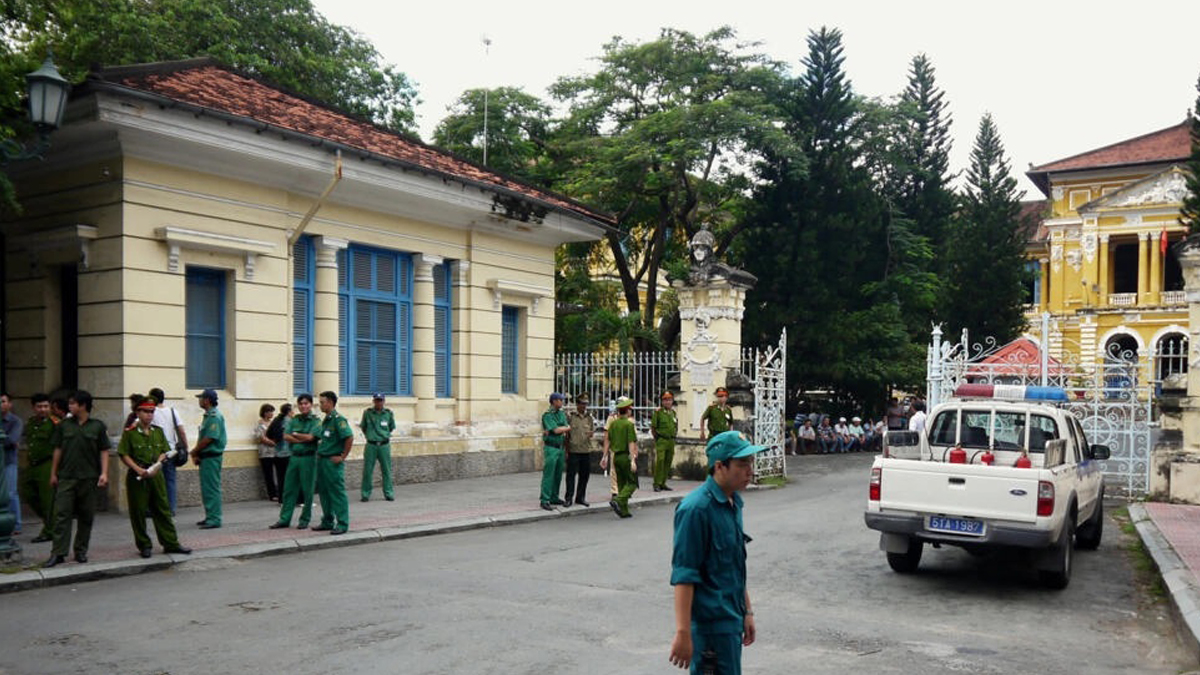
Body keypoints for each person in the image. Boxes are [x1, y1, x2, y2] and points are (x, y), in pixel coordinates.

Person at [668, 430, 762, 674]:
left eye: (750, 463)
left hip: (731, 623)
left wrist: (747, 610)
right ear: (720, 466)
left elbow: (734, 564)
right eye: (742, 464)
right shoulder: (696, 510)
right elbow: (685, 574)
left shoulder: (733, 503)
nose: (749, 470)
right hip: (710, 632)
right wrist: (683, 632)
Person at [116, 397, 191, 558]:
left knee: (162, 510)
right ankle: (144, 545)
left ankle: (170, 543)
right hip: (138, 475)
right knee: (138, 512)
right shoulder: (130, 433)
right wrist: (137, 469)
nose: (149, 415)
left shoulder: (158, 431)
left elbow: (164, 451)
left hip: (156, 475)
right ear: (137, 412)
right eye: (145, 411)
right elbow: (123, 454)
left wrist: (157, 464)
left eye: (151, 412)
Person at [44, 390, 110, 567]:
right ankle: (58, 552)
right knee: (61, 515)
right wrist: (53, 473)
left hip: (89, 478)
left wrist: (104, 473)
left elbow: (104, 450)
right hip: (66, 477)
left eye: (73, 403)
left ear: (83, 405)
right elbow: (57, 449)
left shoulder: (97, 426)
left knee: (86, 516)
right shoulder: (64, 426)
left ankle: (81, 551)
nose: (70, 406)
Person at [270, 396, 319, 529]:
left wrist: (296, 435)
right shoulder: (294, 419)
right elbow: (286, 436)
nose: (303, 406)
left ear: (311, 405)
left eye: (306, 403)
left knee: (307, 490)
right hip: (294, 457)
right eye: (301, 404)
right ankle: (284, 519)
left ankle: (304, 519)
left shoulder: (316, 421)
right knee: (289, 489)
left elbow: (312, 437)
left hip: (308, 458)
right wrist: (301, 438)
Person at [313, 391, 353, 535]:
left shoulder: (338, 419)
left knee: (337, 493)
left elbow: (349, 437)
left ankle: (342, 523)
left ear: (330, 402)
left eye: (322, 402)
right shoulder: (326, 420)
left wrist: (343, 456)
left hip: (332, 461)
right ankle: (327, 521)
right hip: (322, 460)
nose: (320, 405)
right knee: (324, 493)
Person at [19, 393, 57, 543]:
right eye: (39, 406)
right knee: (27, 492)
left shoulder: (54, 424)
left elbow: (59, 447)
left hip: (47, 464)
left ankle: (49, 530)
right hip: (32, 464)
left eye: (46, 406)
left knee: (47, 500)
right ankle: (52, 523)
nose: (43, 409)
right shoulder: (30, 423)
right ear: (33, 408)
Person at [190, 388, 226, 529]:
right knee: (207, 488)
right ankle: (210, 516)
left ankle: (214, 519)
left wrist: (194, 451)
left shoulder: (214, 416)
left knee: (211, 488)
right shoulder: (208, 416)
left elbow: (210, 438)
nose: (199, 400)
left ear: (207, 400)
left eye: (201, 398)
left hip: (212, 457)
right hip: (206, 457)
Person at [149, 387, 187, 515]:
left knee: (154, 481)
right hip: (170, 450)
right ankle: (171, 508)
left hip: (155, 452)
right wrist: (185, 446)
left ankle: (155, 508)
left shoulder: (151, 412)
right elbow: (181, 430)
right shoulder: (172, 411)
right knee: (170, 480)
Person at [604, 396, 638, 519]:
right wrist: (633, 459)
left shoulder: (613, 424)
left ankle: (624, 510)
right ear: (627, 410)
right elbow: (631, 442)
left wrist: (604, 456)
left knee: (622, 484)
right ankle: (618, 500)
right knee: (632, 483)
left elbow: (608, 440)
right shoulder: (628, 424)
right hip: (625, 456)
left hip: (615, 456)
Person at [359, 393, 395, 502]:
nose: (378, 402)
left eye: (380, 400)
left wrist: (382, 436)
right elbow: (363, 427)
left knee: (386, 470)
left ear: (384, 401)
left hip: (384, 445)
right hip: (371, 445)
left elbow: (391, 427)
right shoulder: (367, 413)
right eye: (377, 400)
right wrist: (371, 436)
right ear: (373, 401)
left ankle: (388, 493)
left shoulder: (388, 414)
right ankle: (365, 494)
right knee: (367, 471)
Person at [564, 394, 595, 507]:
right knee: (570, 476)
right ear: (577, 404)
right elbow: (566, 436)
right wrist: (566, 451)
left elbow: (591, 432)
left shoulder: (589, 418)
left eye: (586, 404)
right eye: (582, 403)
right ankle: (568, 498)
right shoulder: (570, 417)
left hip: (586, 450)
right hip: (573, 450)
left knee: (584, 476)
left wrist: (591, 434)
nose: (584, 406)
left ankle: (580, 497)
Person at [539, 392, 569, 511]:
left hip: (560, 447)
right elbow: (556, 430)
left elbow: (563, 426)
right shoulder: (547, 415)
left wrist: (563, 428)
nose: (562, 402)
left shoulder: (561, 414)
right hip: (551, 447)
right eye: (560, 400)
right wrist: (565, 428)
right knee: (549, 474)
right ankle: (545, 499)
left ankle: (554, 497)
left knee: (558, 474)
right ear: (554, 401)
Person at [1, 392, 24, 535]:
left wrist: (7, 441)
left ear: (9, 404)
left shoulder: (15, 421)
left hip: (9, 461)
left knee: (10, 492)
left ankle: (16, 524)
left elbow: (11, 440)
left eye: (3, 401)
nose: (1, 404)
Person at [651, 391, 678, 492]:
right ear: (662, 401)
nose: (667, 402)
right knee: (660, 461)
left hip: (671, 440)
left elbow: (675, 425)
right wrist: (657, 438)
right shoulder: (658, 413)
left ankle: (663, 482)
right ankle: (657, 483)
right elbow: (653, 428)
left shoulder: (673, 413)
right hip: (661, 439)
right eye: (665, 400)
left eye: (669, 400)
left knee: (668, 461)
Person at [254, 403, 280, 502]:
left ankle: (279, 491)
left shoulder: (273, 423)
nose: (272, 414)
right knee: (268, 474)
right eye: (270, 412)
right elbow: (261, 437)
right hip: (265, 452)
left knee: (277, 473)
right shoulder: (260, 425)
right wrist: (272, 442)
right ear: (265, 413)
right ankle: (272, 494)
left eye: (272, 412)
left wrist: (275, 442)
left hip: (275, 452)